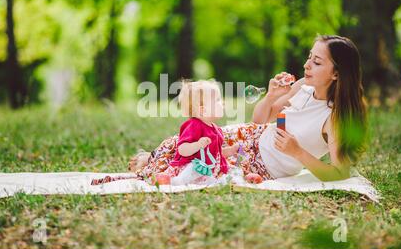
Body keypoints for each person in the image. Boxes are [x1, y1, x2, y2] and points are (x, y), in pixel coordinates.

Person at [130, 35, 368, 182]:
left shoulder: (336, 118)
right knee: (186, 140)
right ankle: (150, 157)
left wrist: (298, 153)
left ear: (337, 73)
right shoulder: (303, 86)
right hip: (249, 136)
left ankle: (150, 166)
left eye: (317, 62)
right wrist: (271, 96)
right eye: (309, 57)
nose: (307, 65)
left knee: (197, 163)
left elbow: (340, 174)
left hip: (260, 165)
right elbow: (260, 120)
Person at [142, 80, 239, 185]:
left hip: (208, 170)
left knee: (231, 170)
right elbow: (182, 149)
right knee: (193, 169)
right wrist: (197, 145)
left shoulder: (216, 129)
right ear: (203, 110)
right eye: (217, 100)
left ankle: (220, 180)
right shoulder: (194, 126)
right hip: (191, 168)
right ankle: (176, 181)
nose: (222, 103)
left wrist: (230, 151)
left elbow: (215, 154)